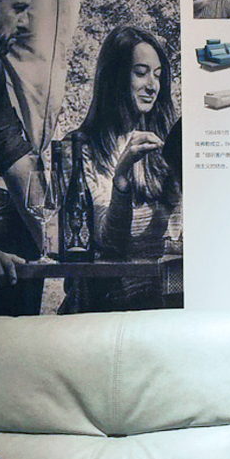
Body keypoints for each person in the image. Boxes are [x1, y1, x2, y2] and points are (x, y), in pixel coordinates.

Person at [0, 0, 93, 315]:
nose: (24, 22)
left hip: (24, 179)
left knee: (20, 318)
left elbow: (10, 148)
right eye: (18, 9)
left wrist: (59, 239)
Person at [62, 26, 183, 312]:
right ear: (114, 77)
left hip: (168, 301)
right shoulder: (79, 149)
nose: (152, 86)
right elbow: (108, 244)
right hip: (107, 304)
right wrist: (122, 179)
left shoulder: (169, 143)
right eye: (141, 73)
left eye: (158, 75)